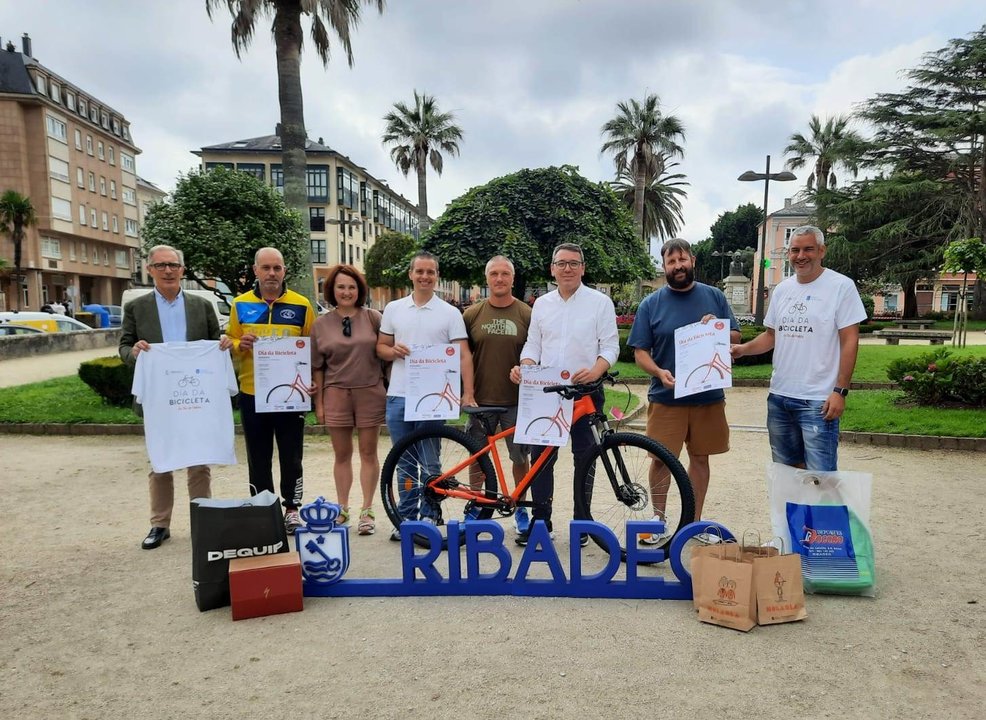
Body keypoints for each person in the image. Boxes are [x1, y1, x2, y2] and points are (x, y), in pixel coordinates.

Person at [627, 238, 740, 543]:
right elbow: (640, 352)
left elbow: (734, 336)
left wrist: (717, 327)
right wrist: (657, 372)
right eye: (671, 262)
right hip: (667, 397)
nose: (678, 266)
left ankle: (694, 523)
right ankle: (658, 520)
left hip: (707, 397)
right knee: (660, 459)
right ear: (664, 267)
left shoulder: (714, 297)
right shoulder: (651, 303)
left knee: (700, 458)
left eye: (682, 260)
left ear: (693, 261)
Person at [119, 244, 229, 550]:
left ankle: (203, 519)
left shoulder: (201, 305)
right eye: (161, 265)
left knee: (198, 460)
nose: (168, 270)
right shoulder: (137, 308)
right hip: (159, 397)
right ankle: (160, 524)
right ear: (150, 270)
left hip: (195, 394)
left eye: (173, 265)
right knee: (161, 460)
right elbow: (124, 347)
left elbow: (213, 342)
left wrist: (221, 346)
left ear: (182, 269)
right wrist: (135, 353)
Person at [510, 243, 619, 546]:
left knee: (586, 457)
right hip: (547, 393)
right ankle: (541, 521)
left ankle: (582, 523)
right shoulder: (542, 304)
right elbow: (533, 344)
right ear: (552, 269)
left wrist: (598, 369)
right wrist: (527, 365)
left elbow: (610, 346)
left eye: (574, 263)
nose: (568, 268)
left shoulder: (600, 303)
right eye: (562, 263)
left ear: (583, 268)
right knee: (541, 459)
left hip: (586, 393)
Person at [731, 225, 866, 471]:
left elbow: (850, 341)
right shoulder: (783, 290)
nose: (800, 256)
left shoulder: (841, 287)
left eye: (808, 249)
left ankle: (823, 512)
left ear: (821, 251)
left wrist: (840, 391)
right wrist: (742, 349)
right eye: (795, 250)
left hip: (818, 400)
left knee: (820, 477)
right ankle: (791, 512)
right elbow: (771, 336)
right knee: (786, 474)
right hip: (780, 397)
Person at [376, 251, 476, 541]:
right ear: (411, 274)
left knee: (430, 461)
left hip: (434, 399)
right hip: (399, 395)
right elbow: (380, 347)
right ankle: (406, 518)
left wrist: (467, 392)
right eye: (419, 271)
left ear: (437, 275)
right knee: (404, 461)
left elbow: (463, 355)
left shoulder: (450, 312)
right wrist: (392, 351)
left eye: (430, 272)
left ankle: (430, 513)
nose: (424, 277)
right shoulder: (394, 309)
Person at [226, 247, 316, 534]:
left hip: (290, 394)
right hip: (253, 392)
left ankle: (291, 508)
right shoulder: (239, 304)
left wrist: (312, 378)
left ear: (284, 271)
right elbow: (230, 341)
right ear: (255, 271)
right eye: (266, 268)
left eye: (277, 268)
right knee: (258, 455)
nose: (272, 274)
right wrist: (240, 344)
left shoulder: (302, 305)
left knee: (292, 455)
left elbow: (312, 349)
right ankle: (263, 507)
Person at [310, 265, 385, 536]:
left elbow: (385, 354)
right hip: (335, 393)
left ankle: (367, 509)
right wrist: (318, 404)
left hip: (370, 392)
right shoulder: (320, 325)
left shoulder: (374, 318)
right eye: (341, 287)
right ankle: (342, 508)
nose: (346, 292)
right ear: (332, 289)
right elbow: (317, 367)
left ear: (359, 290)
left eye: (352, 287)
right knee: (342, 455)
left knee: (368, 452)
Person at [463, 255, 533, 535]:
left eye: (505, 274)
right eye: (494, 274)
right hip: (481, 402)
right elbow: (461, 356)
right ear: (487, 278)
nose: (500, 279)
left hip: (516, 402)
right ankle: (475, 504)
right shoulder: (472, 315)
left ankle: (521, 507)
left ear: (513, 279)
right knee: (477, 458)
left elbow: (537, 354)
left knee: (520, 459)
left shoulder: (527, 314)